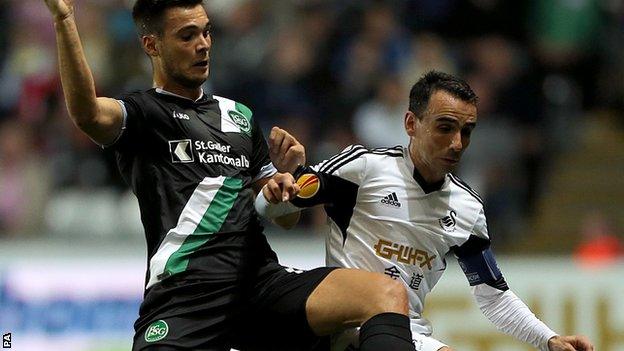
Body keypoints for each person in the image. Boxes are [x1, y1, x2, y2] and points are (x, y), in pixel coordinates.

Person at [43, 0, 417, 350]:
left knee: (386, 294)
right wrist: (64, 20)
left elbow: (286, 220)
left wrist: (285, 183)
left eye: (207, 32)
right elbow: (88, 114)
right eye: (187, 36)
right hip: (186, 294)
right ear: (152, 45)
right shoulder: (144, 113)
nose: (203, 45)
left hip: (260, 283)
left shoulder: (239, 116)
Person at [257, 71, 595, 351]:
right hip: (348, 327)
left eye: (466, 131)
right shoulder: (365, 168)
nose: (457, 143)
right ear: (411, 123)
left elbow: (494, 297)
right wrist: (277, 183)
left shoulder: (467, 208)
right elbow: (275, 209)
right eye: (445, 128)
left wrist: (548, 339)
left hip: (405, 334)